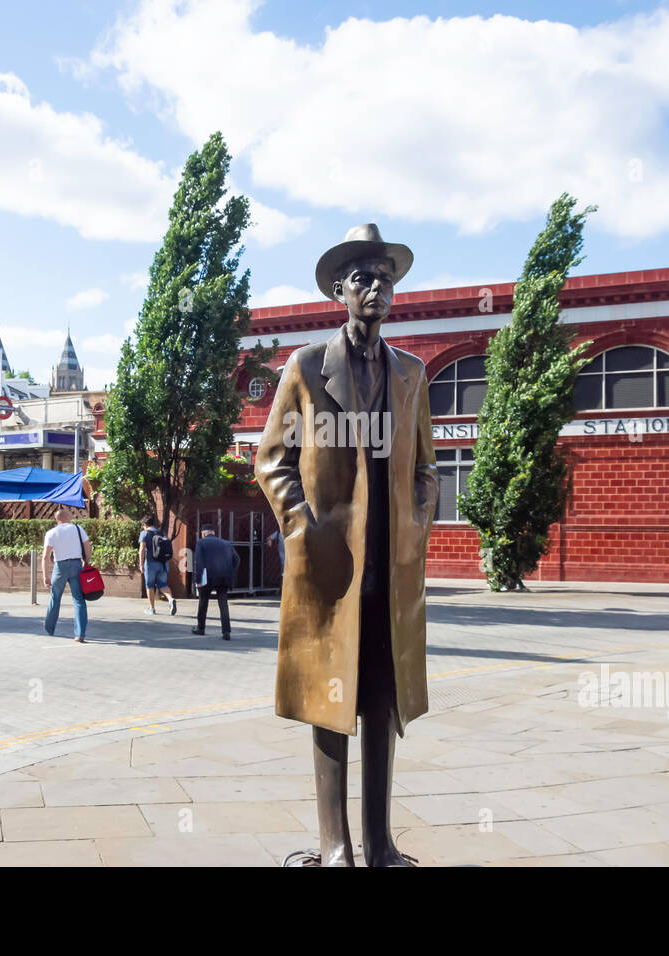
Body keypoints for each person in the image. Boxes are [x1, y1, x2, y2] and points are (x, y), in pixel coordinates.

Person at [256, 224, 438, 867]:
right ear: (340, 290)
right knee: (330, 697)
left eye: (385, 277)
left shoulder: (410, 374)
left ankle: (381, 843)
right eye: (363, 277)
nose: (376, 288)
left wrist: (417, 524)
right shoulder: (305, 369)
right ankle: (336, 847)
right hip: (330, 568)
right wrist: (303, 528)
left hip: (391, 569)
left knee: (382, 701)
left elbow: (426, 468)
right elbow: (272, 459)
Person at [41, 507, 91, 643]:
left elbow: (46, 556)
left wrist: (45, 576)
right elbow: (87, 547)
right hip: (76, 565)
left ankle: (49, 628)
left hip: (60, 567)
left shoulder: (51, 532)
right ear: (67, 517)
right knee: (79, 600)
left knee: (55, 598)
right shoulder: (78, 529)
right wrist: (86, 562)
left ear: (57, 520)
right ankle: (80, 634)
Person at [191, 525, 239, 639]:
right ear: (213, 533)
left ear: (203, 534)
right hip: (224, 577)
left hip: (207, 577)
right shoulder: (226, 543)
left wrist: (197, 580)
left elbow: (199, 563)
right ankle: (226, 632)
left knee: (203, 603)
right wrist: (230, 571)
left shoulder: (201, 543)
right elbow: (237, 559)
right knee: (223, 605)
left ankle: (201, 628)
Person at [138, 515, 176, 615]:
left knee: (149, 585)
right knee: (163, 585)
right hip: (163, 563)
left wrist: (141, 564)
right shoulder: (161, 533)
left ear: (145, 524)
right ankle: (171, 599)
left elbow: (142, 549)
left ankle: (152, 608)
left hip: (150, 564)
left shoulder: (144, 533)